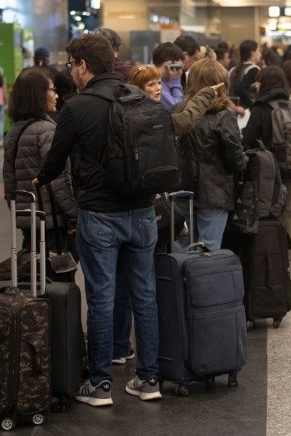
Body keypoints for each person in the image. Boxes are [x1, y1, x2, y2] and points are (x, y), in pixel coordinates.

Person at [35, 33, 162, 406]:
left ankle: (101, 384)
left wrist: (39, 178)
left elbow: (56, 160)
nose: (71, 72)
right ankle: (149, 379)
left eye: (73, 65)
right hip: (142, 211)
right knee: (146, 295)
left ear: (83, 66)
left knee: (102, 297)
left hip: (100, 214)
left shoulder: (78, 107)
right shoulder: (138, 97)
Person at [112, 64, 220, 366]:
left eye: (159, 83)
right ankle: (148, 353)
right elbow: (185, 120)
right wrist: (205, 95)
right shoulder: (157, 121)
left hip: (129, 206)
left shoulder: (122, 119)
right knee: (145, 281)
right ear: (138, 90)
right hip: (149, 210)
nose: (157, 88)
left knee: (124, 281)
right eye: (150, 85)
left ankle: (120, 345)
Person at [174, 58, 248, 250]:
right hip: (215, 191)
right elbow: (235, 159)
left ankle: (181, 281)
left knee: (181, 247)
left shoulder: (180, 111)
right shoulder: (224, 116)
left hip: (182, 187)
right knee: (209, 251)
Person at [4, 68, 78, 258]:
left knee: (34, 277)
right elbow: (59, 181)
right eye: (52, 90)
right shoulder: (46, 131)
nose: (56, 95)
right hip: (51, 222)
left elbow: (10, 183)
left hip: (29, 221)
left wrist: (21, 213)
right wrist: (73, 218)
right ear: (39, 95)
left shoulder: (14, 131)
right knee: (58, 280)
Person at [243, 66, 291, 238]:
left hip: (267, 169)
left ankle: (270, 252)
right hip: (290, 166)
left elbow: (248, 139)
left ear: (264, 83)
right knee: (286, 209)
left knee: (266, 210)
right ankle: (285, 252)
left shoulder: (260, 108)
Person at [152, 42, 185, 111]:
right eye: (178, 67)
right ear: (169, 65)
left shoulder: (163, 81)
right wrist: (176, 81)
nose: (180, 71)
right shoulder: (156, 83)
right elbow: (178, 109)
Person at [229, 40, 261, 109]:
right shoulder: (253, 69)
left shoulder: (233, 70)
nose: (260, 53)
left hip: (233, 110)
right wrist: (252, 106)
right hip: (245, 111)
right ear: (253, 53)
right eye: (258, 51)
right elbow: (241, 89)